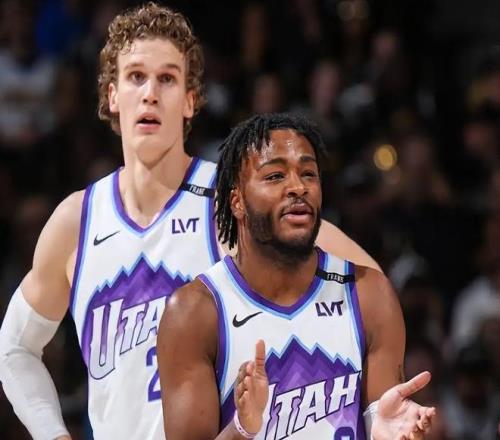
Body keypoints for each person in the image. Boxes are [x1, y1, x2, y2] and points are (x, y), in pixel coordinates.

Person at [0, 3, 381, 440]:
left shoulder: (230, 201)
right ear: (112, 95)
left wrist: (365, 411)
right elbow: (14, 349)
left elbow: (367, 283)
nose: (150, 93)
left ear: (190, 100)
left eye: (167, 79)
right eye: (136, 77)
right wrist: (53, 434)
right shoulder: (77, 221)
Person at [157, 113, 436, 439]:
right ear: (237, 201)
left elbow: (385, 426)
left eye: (308, 174)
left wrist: (386, 433)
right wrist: (241, 429)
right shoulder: (194, 313)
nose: (298, 187)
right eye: (275, 176)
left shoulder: (368, 295)